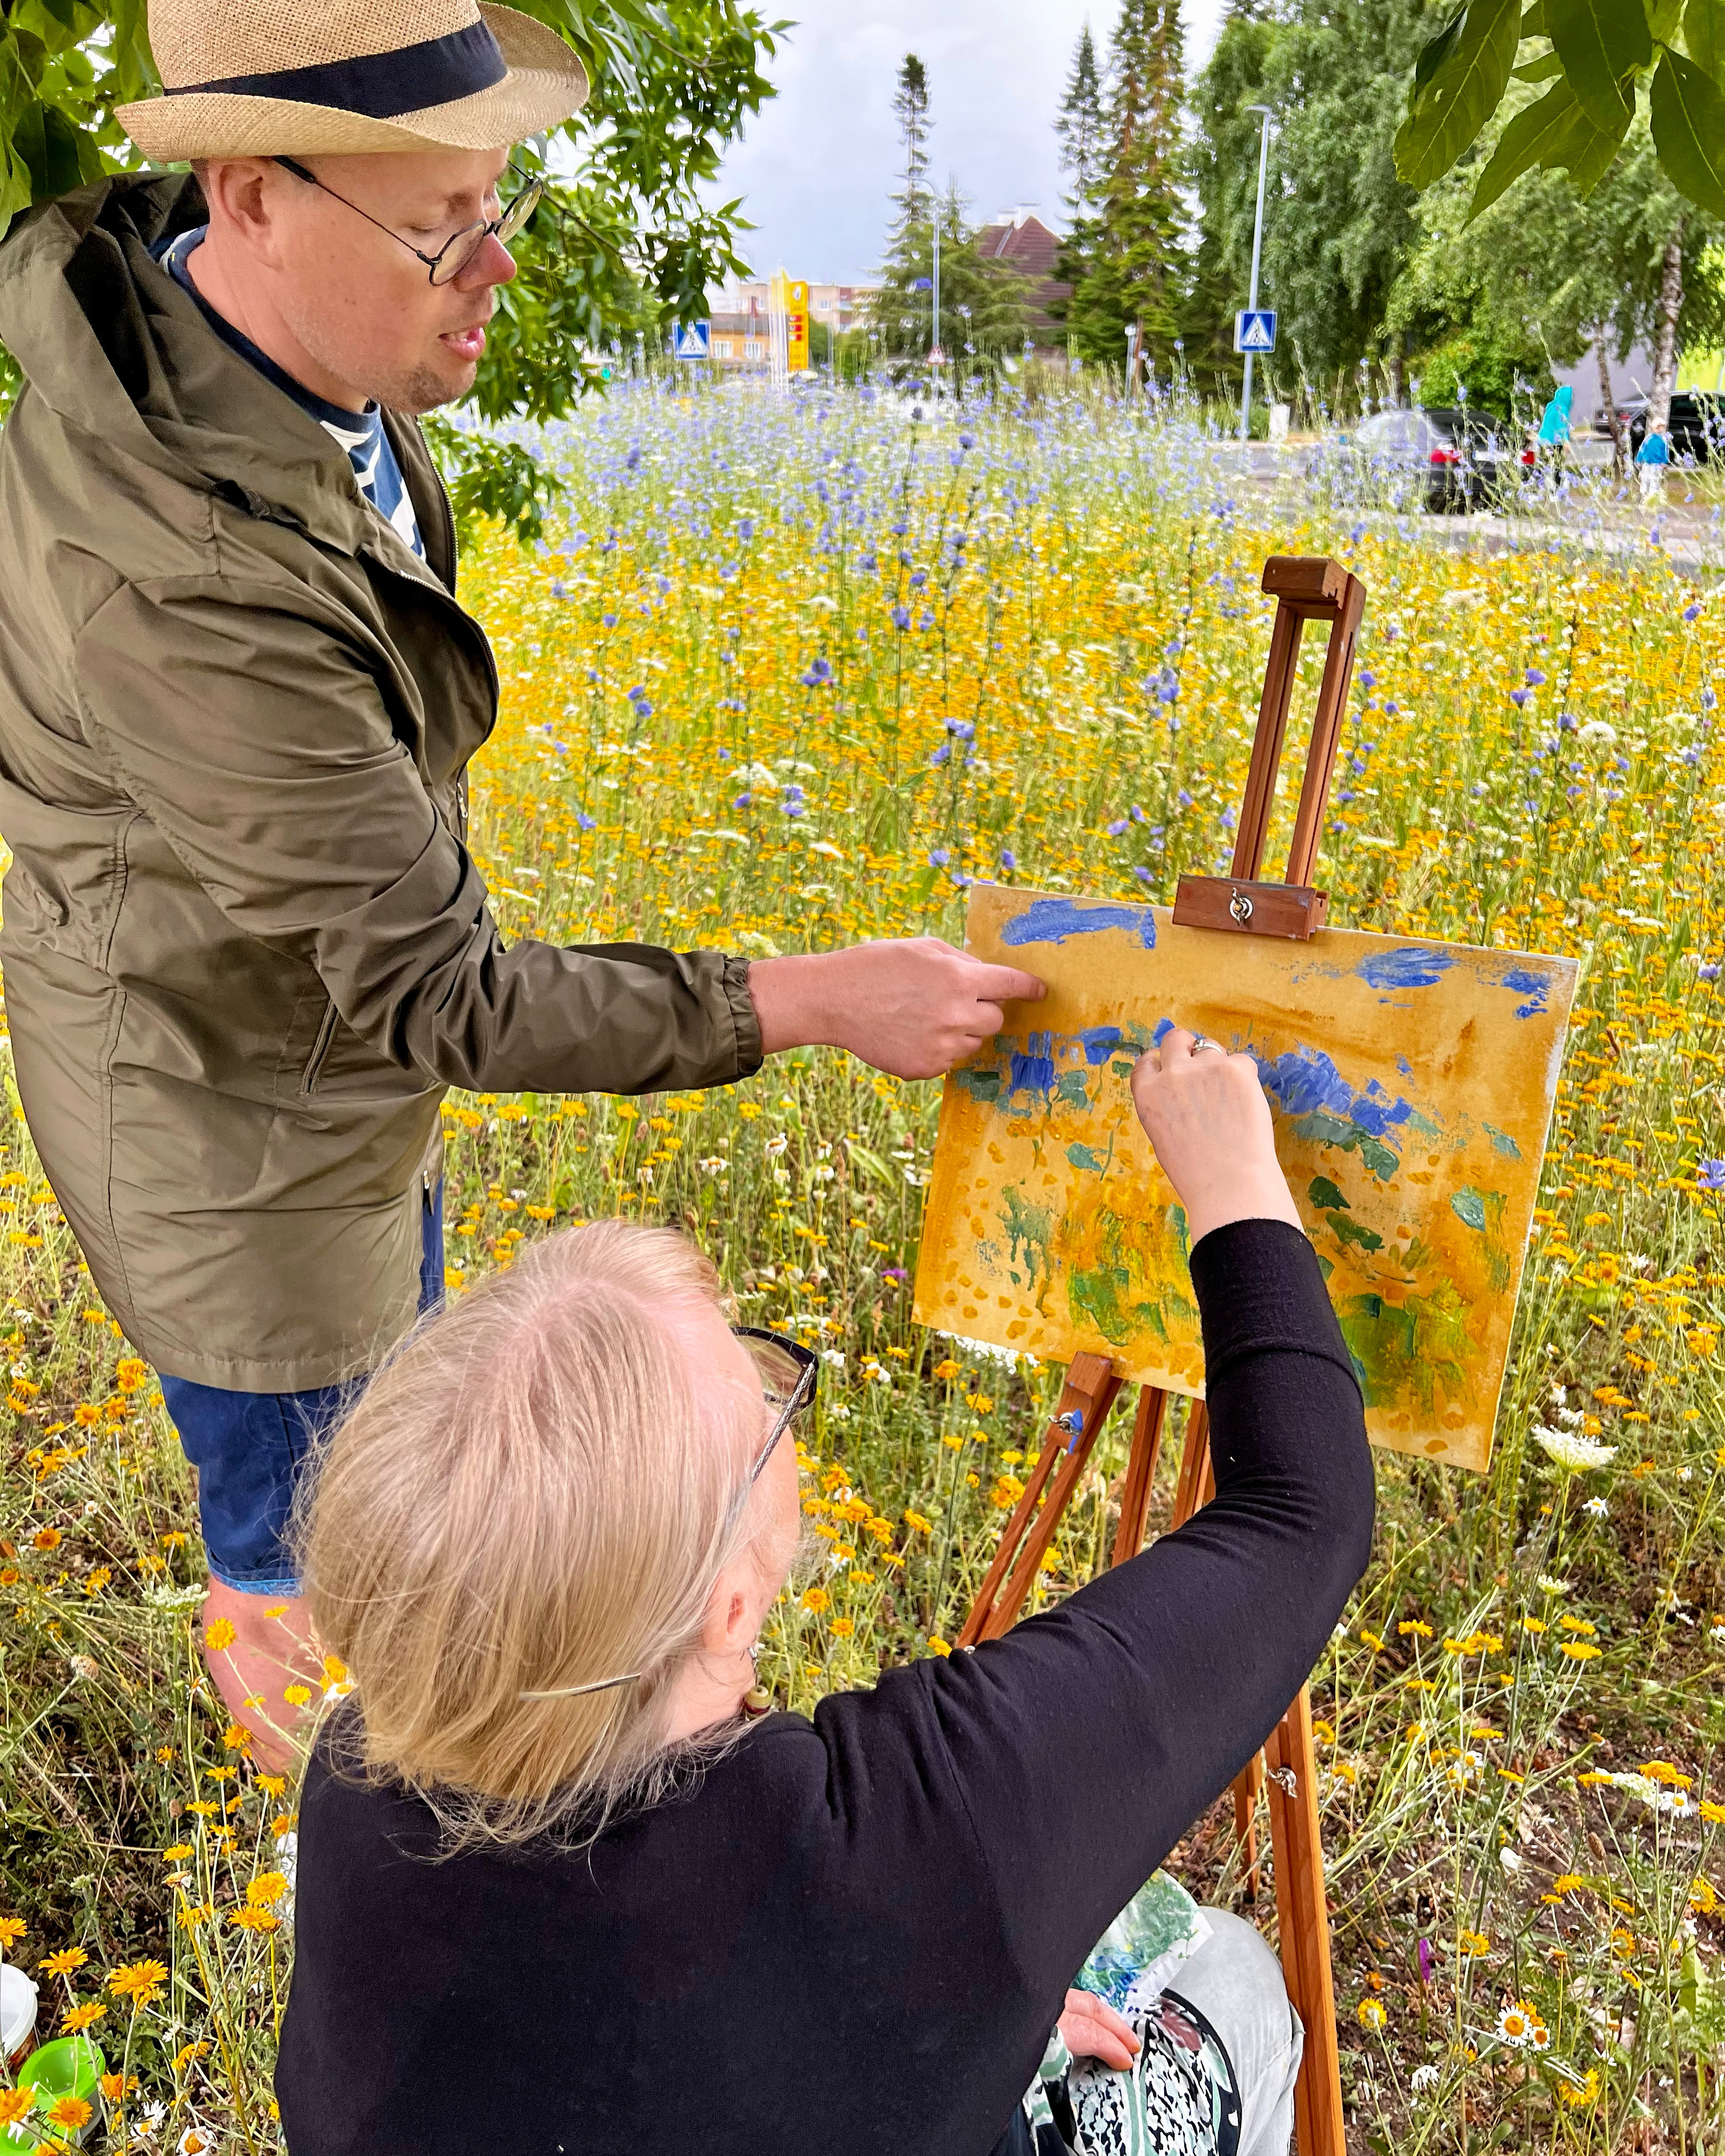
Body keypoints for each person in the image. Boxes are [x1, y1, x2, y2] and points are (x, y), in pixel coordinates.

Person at [0, 0, 1039, 1766]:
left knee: (396, 1468)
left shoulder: (269, 360)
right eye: (443, 230)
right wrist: (811, 999)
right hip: (238, 1168)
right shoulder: (182, 580)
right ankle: (337, 1862)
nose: (490, 274)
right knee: (314, 1572)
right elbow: (445, 994)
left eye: (502, 210)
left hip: (301, 1076)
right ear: (250, 194)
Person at [277, 1026, 1375, 2155]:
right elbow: (1303, 1513)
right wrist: (1236, 1181)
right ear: (727, 1610)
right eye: (765, 1409)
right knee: (1234, 1977)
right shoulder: (908, 1853)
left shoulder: (361, 1774)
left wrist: (977, 2016)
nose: (778, 1401)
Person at [1635, 422, 1670, 501]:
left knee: (1655, 480)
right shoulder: (1648, 438)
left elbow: (1664, 452)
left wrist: (1664, 462)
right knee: (1645, 480)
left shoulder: (1663, 440)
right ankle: (1643, 497)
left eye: (1660, 427)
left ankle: (1652, 498)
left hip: (1657, 465)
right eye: (1657, 427)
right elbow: (1642, 450)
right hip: (1647, 464)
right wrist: (1639, 460)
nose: (1659, 429)